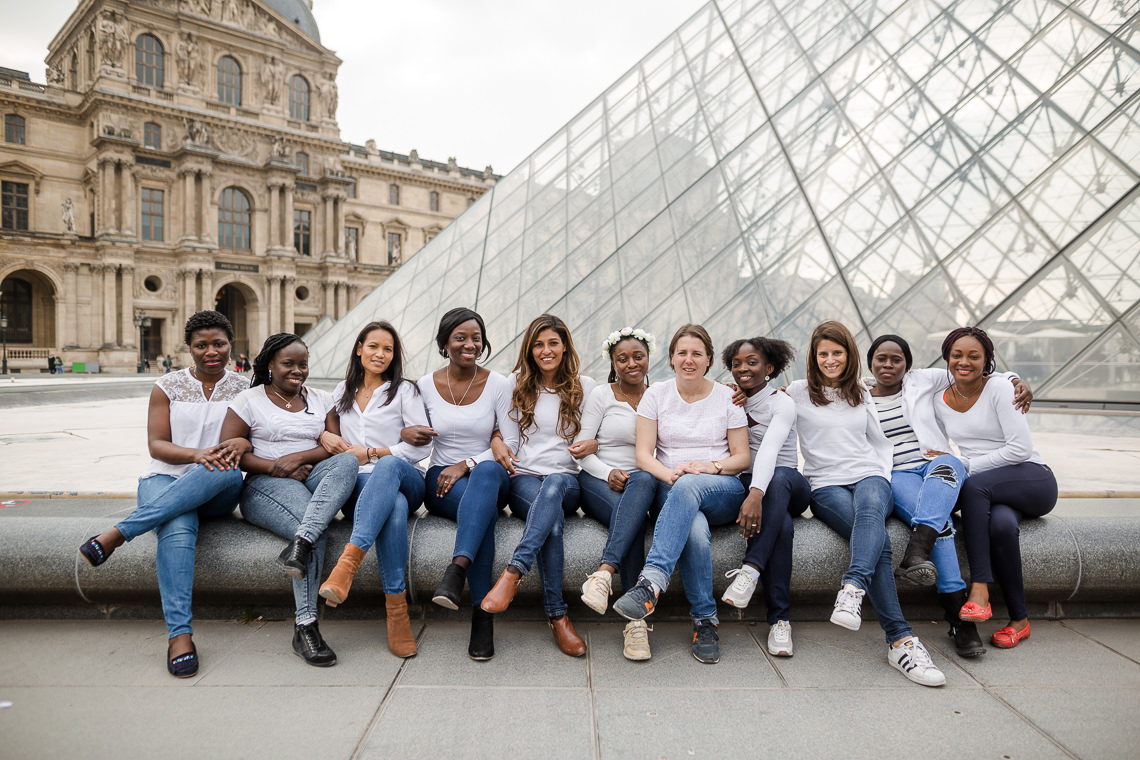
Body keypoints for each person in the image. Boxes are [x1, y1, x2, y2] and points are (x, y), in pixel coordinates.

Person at [77, 310, 249, 677]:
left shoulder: (245, 388)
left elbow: (252, 439)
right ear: (189, 348)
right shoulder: (167, 386)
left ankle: (119, 532)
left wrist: (228, 448)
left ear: (230, 345)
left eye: (218, 343)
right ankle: (180, 636)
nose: (211, 352)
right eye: (201, 345)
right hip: (165, 477)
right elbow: (157, 446)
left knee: (224, 469)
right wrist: (196, 454)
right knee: (177, 523)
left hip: (220, 482)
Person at [787, 321, 945, 686]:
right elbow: (754, 393)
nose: (830, 360)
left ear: (850, 355)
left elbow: (940, 377)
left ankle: (853, 588)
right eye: (823, 353)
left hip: (870, 474)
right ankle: (900, 641)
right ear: (813, 356)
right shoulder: (796, 392)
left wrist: (1011, 377)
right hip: (824, 485)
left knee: (871, 512)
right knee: (881, 545)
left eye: (837, 353)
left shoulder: (863, 390)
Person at [865, 334, 1033, 657]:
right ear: (870, 362)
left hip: (935, 465)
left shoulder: (923, 380)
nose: (889, 365)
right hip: (896, 474)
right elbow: (817, 384)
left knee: (950, 461)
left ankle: (918, 547)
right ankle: (959, 619)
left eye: (896, 359)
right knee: (940, 521)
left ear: (908, 365)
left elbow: (977, 372)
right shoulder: (857, 393)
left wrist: (1015, 379)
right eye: (881, 359)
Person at [612, 324, 751, 664]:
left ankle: (651, 582)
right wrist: (672, 475)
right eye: (682, 353)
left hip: (721, 487)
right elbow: (644, 456)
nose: (689, 360)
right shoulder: (656, 394)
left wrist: (708, 467)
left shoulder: (727, 397)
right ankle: (705, 619)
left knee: (691, 485)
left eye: (697, 354)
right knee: (694, 532)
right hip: (671, 486)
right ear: (672, 358)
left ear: (708, 360)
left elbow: (742, 457)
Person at [219, 333, 359, 667]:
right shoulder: (249, 400)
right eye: (288, 364)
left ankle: (301, 542)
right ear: (270, 365)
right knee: (316, 529)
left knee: (349, 461)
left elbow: (335, 445)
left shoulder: (321, 398)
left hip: (310, 475)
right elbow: (231, 451)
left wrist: (297, 459)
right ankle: (305, 624)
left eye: (303, 365)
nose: (297, 371)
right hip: (265, 484)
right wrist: (275, 467)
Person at [934, 326, 1057, 649]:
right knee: (1001, 527)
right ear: (946, 357)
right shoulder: (940, 399)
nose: (964, 361)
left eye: (974, 356)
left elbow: (1019, 450)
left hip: (1032, 478)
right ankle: (1020, 620)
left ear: (988, 360)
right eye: (957, 355)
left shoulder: (1002, 389)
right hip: (994, 488)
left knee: (973, 488)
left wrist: (967, 466)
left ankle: (979, 588)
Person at [479, 315, 595, 657]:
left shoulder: (586, 386)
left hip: (568, 481)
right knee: (552, 521)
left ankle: (514, 571)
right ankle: (558, 616)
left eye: (553, 343)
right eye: (539, 344)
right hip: (524, 479)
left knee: (557, 483)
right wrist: (497, 438)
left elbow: (608, 430)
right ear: (530, 350)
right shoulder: (514, 384)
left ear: (565, 347)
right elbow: (493, 426)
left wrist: (594, 445)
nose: (546, 351)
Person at [316, 321, 429, 658]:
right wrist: (323, 435)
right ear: (359, 348)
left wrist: (374, 453)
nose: (380, 354)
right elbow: (319, 429)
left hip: (405, 477)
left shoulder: (404, 391)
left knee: (389, 469)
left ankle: (348, 563)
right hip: (361, 487)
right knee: (390, 508)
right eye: (374, 346)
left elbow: (421, 447)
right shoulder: (341, 392)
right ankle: (397, 612)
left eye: (388, 349)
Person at [413, 307, 516, 661]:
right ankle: (482, 617)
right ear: (444, 343)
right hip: (440, 482)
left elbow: (511, 444)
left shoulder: (499, 384)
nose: (470, 344)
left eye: (476, 338)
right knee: (481, 517)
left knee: (485, 478)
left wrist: (467, 463)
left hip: (487, 473)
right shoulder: (424, 385)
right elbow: (416, 438)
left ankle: (456, 571)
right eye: (460, 337)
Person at [720, 336, 808, 657]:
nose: (743, 368)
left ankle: (750, 570)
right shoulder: (730, 398)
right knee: (781, 526)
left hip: (788, 486)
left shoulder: (780, 402)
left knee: (781, 477)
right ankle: (780, 621)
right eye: (737, 363)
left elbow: (770, 451)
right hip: (756, 491)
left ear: (769, 368)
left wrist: (755, 494)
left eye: (752, 362)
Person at [574, 327, 659, 661]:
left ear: (649, 358)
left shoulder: (659, 395)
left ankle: (603, 575)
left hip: (642, 484)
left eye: (638, 356)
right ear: (613, 362)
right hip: (597, 481)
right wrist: (606, 472)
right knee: (634, 522)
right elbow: (581, 449)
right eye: (622, 358)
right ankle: (636, 623)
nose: (631, 364)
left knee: (644, 484)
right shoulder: (601, 395)